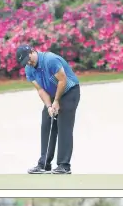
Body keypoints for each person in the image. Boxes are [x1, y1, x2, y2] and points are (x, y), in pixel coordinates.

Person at [16, 44, 80, 175]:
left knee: (63, 126)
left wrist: (56, 101)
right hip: (52, 94)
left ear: (33, 51)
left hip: (69, 91)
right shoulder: (29, 69)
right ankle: (44, 164)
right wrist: (49, 106)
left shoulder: (50, 60)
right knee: (46, 124)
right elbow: (40, 89)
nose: (28, 63)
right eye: (25, 62)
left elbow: (62, 80)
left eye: (29, 59)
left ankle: (64, 165)